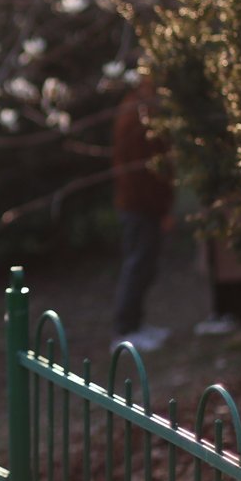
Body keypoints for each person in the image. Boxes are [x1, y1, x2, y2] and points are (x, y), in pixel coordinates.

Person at [109, 73, 175, 353]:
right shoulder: (139, 116)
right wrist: (160, 208)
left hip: (141, 204)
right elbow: (144, 172)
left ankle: (135, 323)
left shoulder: (137, 109)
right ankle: (125, 329)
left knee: (144, 264)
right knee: (138, 264)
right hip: (140, 206)